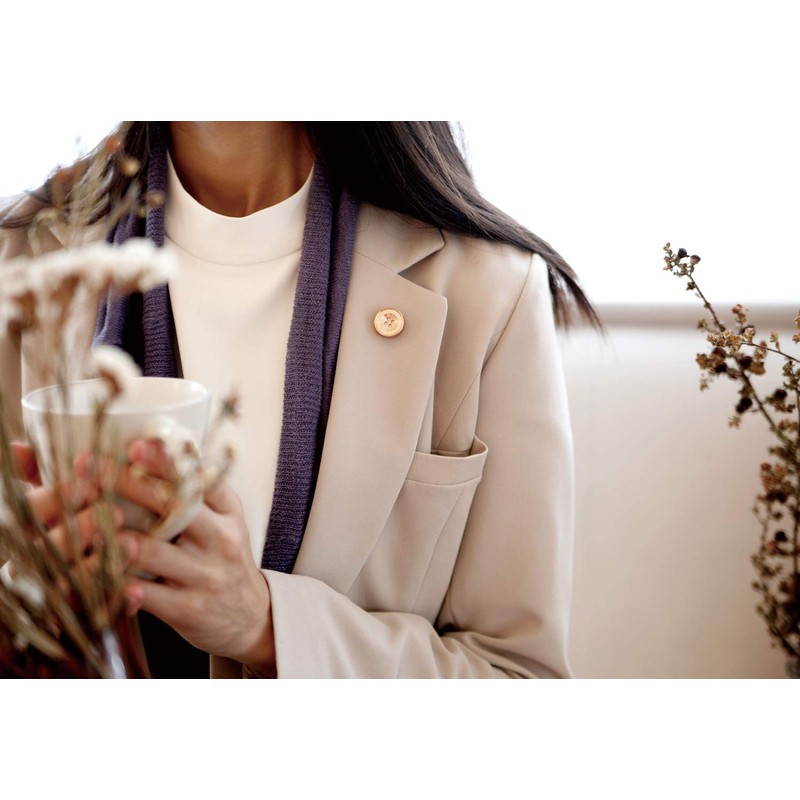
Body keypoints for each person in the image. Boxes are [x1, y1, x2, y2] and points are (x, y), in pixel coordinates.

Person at [0, 122, 601, 678]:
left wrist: (267, 626)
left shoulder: (490, 287)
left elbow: (520, 676)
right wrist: (20, 611)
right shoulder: (16, 262)